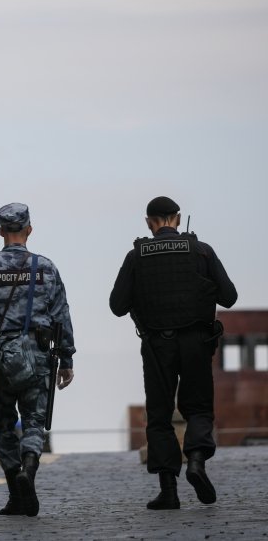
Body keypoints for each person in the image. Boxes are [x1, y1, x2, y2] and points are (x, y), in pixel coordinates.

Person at [109, 196, 237, 510]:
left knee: (160, 415)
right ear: (177, 219)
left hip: (156, 345)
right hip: (196, 341)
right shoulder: (201, 250)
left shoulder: (135, 255)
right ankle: (196, 460)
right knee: (199, 408)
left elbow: (117, 306)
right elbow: (230, 297)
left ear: (149, 222)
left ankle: (168, 491)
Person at [0, 203, 75, 518]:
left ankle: (15, 489)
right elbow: (61, 316)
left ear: (0, 232)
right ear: (29, 230)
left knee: (4, 424)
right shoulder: (47, 268)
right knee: (35, 422)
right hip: (38, 355)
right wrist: (66, 358)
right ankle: (30, 471)